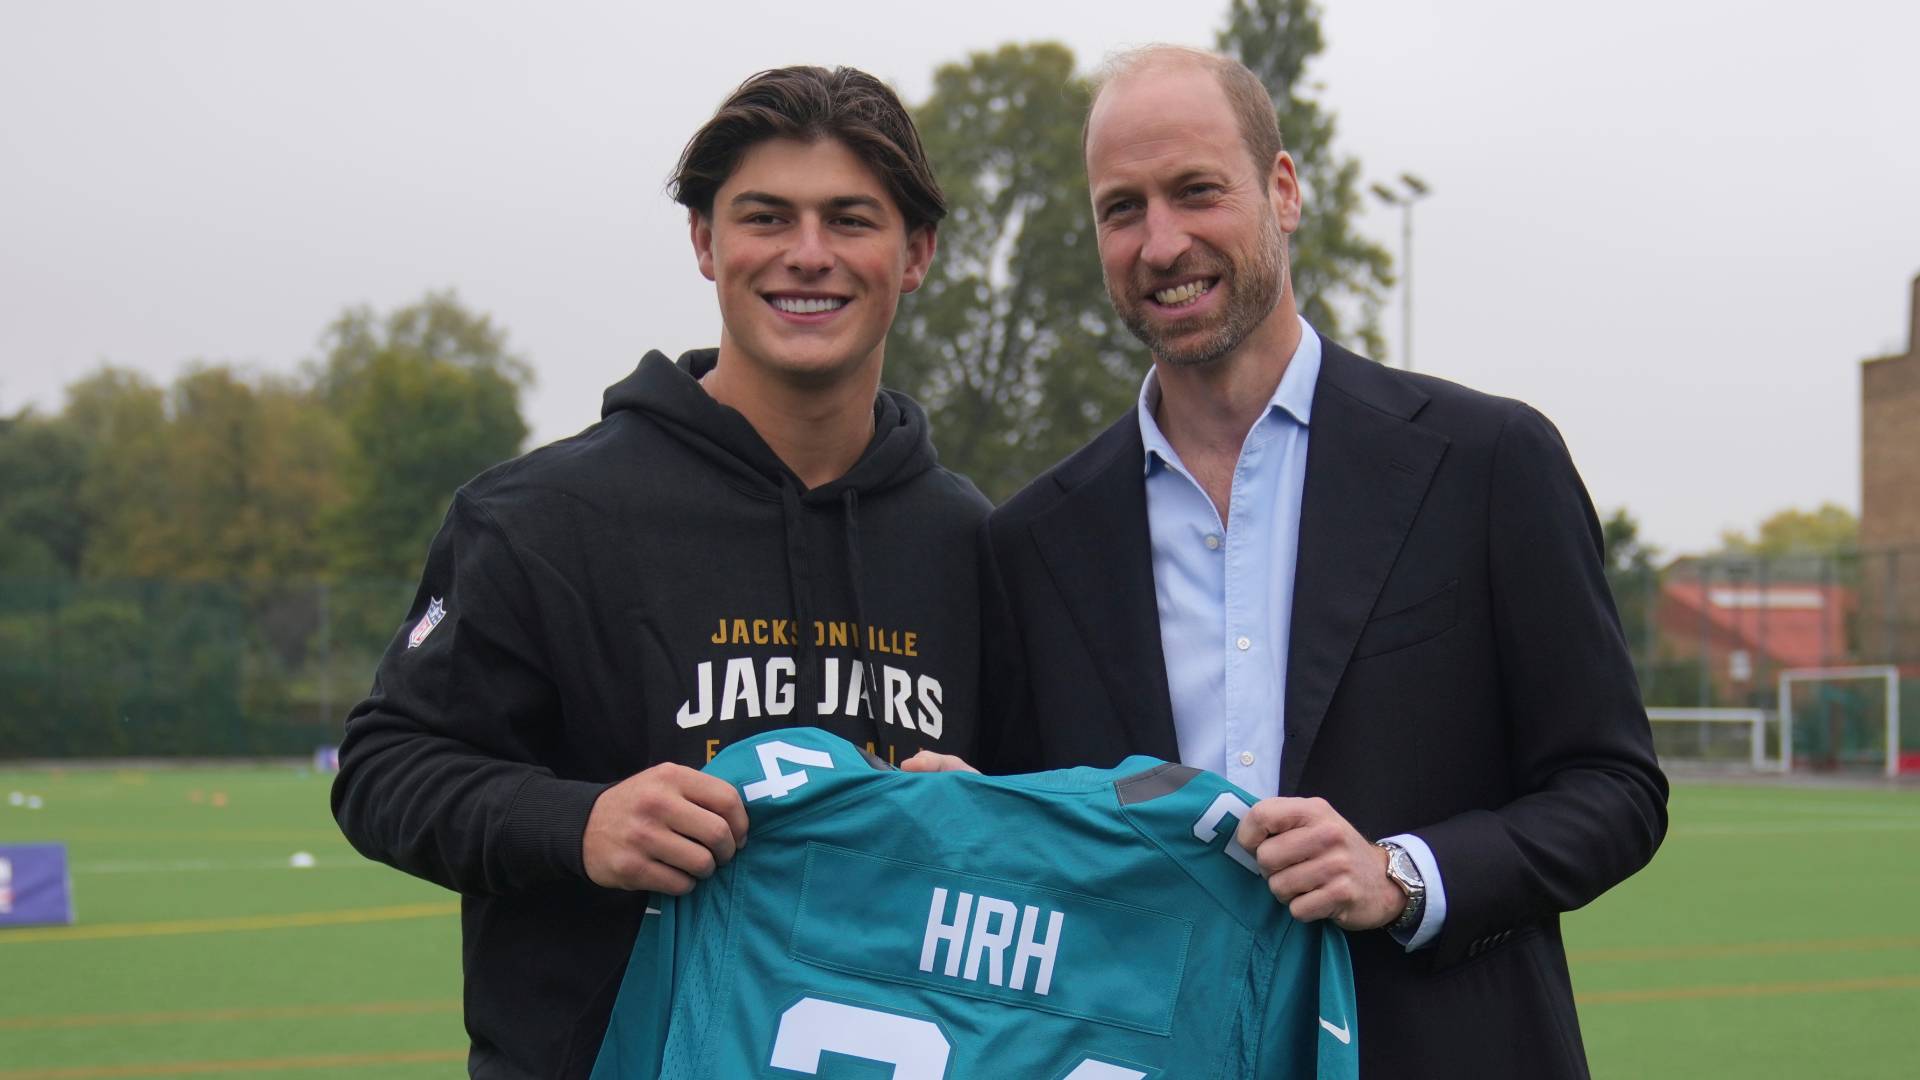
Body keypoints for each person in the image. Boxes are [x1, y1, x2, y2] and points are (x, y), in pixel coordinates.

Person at [972, 46, 1668, 1077]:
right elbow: (1035, 853)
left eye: (1196, 191)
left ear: (1283, 191)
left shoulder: (1486, 462)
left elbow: (1613, 789)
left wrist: (1406, 876)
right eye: (1123, 209)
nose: (1162, 243)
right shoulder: (1033, 540)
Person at [331, 66, 989, 1079]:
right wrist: (579, 820)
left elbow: (1052, 820)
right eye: (766, 217)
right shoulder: (540, 516)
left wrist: (991, 814)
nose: (807, 256)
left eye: (850, 220)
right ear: (705, 243)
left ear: (916, 254)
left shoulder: (972, 543)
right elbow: (385, 770)